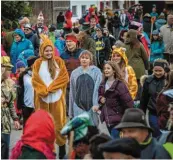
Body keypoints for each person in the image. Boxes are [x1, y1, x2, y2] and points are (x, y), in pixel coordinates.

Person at [32, 34, 69, 159]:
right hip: (42, 100)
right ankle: (48, 151)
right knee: (44, 127)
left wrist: (51, 89)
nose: (48, 53)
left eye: (50, 50)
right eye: (46, 50)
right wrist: (43, 90)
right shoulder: (37, 63)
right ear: (42, 50)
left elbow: (64, 78)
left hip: (57, 99)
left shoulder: (59, 61)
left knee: (59, 126)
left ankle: (62, 149)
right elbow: (35, 80)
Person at [99, 61, 134, 138]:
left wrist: (129, 118)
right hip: (108, 120)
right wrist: (101, 99)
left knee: (116, 143)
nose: (106, 70)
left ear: (114, 70)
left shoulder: (120, 85)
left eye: (108, 68)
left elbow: (128, 103)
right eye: (105, 69)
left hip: (118, 120)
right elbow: (100, 95)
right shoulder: (102, 84)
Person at [69, 50, 102, 126]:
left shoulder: (96, 72)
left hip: (91, 106)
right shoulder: (75, 73)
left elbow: (98, 89)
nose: (84, 59)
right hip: (78, 106)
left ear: (90, 60)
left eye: (87, 58)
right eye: (82, 57)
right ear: (79, 59)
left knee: (92, 129)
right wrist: (71, 112)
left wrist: (96, 104)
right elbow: (73, 91)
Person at [140, 59, 169, 137]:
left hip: (166, 113)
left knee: (166, 135)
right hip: (153, 112)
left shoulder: (168, 81)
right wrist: (141, 113)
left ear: (164, 70)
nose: (158, 73)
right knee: (156, 132)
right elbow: (144, 98)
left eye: (160, 71)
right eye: (156, 70)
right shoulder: (148, 81)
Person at [1, 56, 20, 158]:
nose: (9, 71)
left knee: (5, 149)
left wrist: (15, 118)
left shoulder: (10, 84)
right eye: (7, 68)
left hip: (6, 122)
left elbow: (11, 103)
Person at [125, 29, 149, 100]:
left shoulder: (123, 45)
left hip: (128, 69)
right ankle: (139, 102)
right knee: (139, 87)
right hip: (139, 69)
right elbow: (145, 57)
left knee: (130, 87)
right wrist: (147, 67)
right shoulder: (139, 44)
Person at [17, 56, 38, 127]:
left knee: (36, 129)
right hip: (26, 106)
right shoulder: (23, 76)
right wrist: (20, 105)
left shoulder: (40, 75)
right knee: (26, 129)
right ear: (32, 65)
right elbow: (20, 91)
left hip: (37, 106)